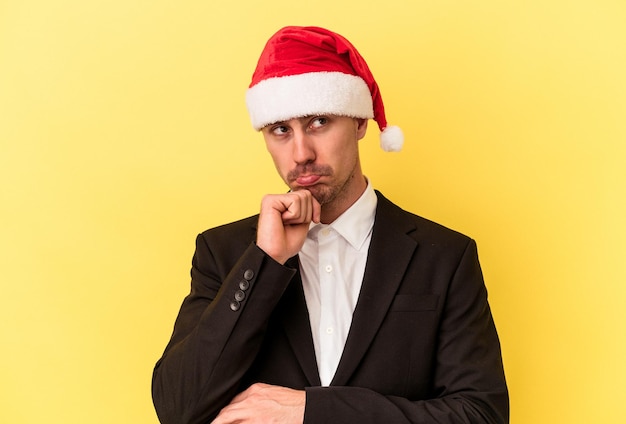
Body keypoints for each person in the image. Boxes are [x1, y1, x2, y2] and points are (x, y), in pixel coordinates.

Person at [152, 26, 508, 424]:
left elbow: (482, 414)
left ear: (359, 123)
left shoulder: (444, 257)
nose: (301, 153)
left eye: (319, 121)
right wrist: (265, 261)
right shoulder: (225, 253)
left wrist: (312, 410)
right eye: (280, 130)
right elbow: (177, 408)